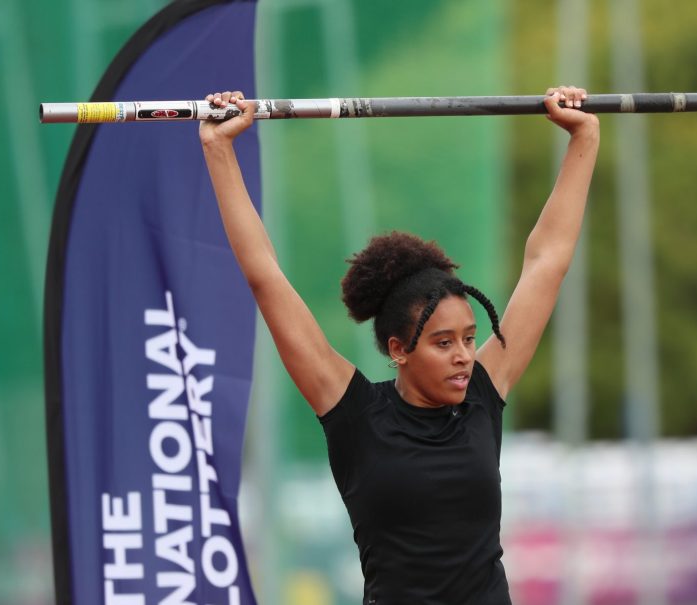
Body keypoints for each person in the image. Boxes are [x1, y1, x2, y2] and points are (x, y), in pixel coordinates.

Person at [200, 86, 599, 605]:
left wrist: (583, 138)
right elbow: (266, 279)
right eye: (442, 342)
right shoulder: (356, 414)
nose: (463, 354)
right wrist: (219, 149)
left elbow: (547, 262)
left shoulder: (483, 391)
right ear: (398, 349)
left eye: (469, 338)